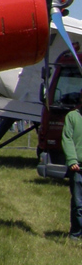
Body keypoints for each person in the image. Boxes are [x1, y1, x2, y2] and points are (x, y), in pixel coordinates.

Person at [61, 98, 82, 240]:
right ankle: (76, 233)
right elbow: (67, 138)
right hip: (78, 167)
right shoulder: (72, 116)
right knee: (78, 203)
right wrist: (72, 160)